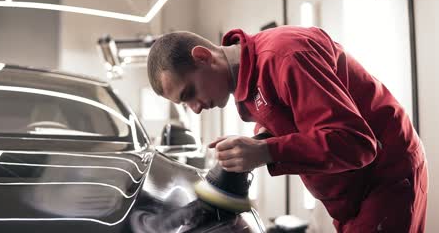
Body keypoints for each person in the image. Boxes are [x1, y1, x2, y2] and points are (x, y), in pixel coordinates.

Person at [146, 26, 428, 232]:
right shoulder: (250, 82)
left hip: (383, 178)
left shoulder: (285, 56)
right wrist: (250, 150)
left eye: (189, 94)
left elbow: (356, 143)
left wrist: (266, 151)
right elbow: (294, 127)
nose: (194, 108)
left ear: (203, 57)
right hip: (348, 193)